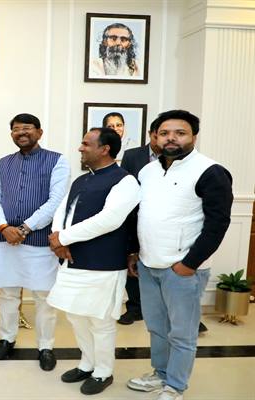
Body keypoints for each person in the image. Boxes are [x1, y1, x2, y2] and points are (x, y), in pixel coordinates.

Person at [127, 110, 233, 400]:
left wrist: (189, 264)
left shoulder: (210, 171)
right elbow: (140, 215)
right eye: (164, 133)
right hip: (148, 264)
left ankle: (175, 386)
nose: (171, 138)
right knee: (157, 328)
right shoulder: (148, 171)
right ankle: (160, 373)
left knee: (182, 333)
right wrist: (135, 252)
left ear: (194, 136)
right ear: (155, 137)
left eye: (180, 133)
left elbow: (218, 224)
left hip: (183, 269)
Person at [46, 127, 140, 395]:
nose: (80, 148)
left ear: (105, 149)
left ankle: (103, 372)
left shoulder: (125, 181)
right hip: (72, 260)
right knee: (75, 316)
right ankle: (87, 364)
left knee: (100, 321)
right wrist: (58, 237)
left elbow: (109, 220)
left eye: (86, 144)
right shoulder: (82, 179)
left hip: (103, 263)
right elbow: (62, 211)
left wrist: (64, 237)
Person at [0, 113, 70, 371]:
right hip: (4, 238)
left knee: (44, 296)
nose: (22, 133)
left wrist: (23, 228)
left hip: (39, 241)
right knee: (7, 293)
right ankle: (6, 338)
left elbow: (56, 201)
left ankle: (46, 346)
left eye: (27, 128)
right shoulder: (3, 163)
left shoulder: (58, 161)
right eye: (16, 129)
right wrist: (4, 227)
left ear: (39, 132)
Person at [118, 121, 159, 325]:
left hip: (162, 219)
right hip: (135, 216)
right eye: (158, 135)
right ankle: (135, 308)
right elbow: (124, 184)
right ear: (150, 134)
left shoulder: (177, 156)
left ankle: (167, 309)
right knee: (132, 261)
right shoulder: (132, 155)